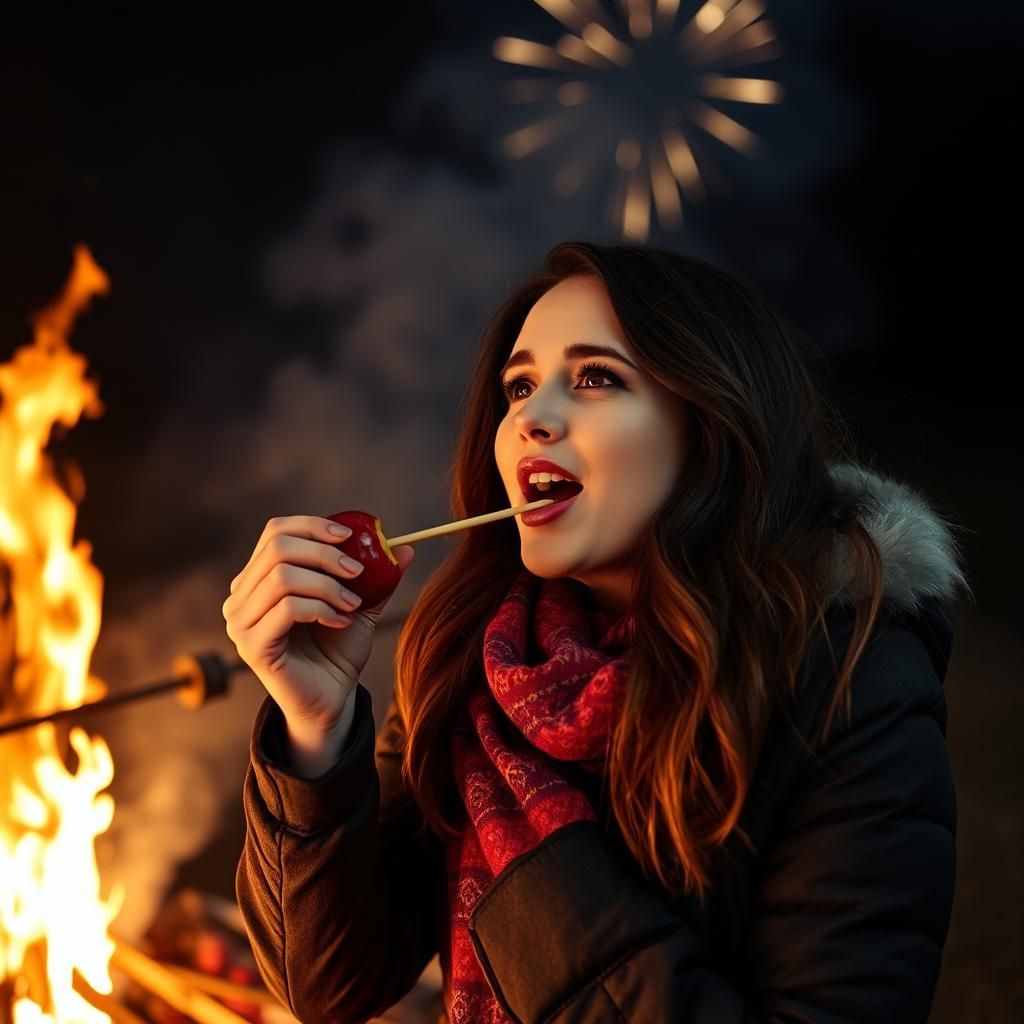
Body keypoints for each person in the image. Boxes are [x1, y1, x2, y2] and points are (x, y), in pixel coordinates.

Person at [224, 241, 972, 1024]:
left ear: (709, 425)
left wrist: (540, 875)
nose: (530, 420)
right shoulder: (478, 661)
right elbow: (330, 986)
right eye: (519, 386)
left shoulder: (855, 687)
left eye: (595, 378)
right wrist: (315, 732)